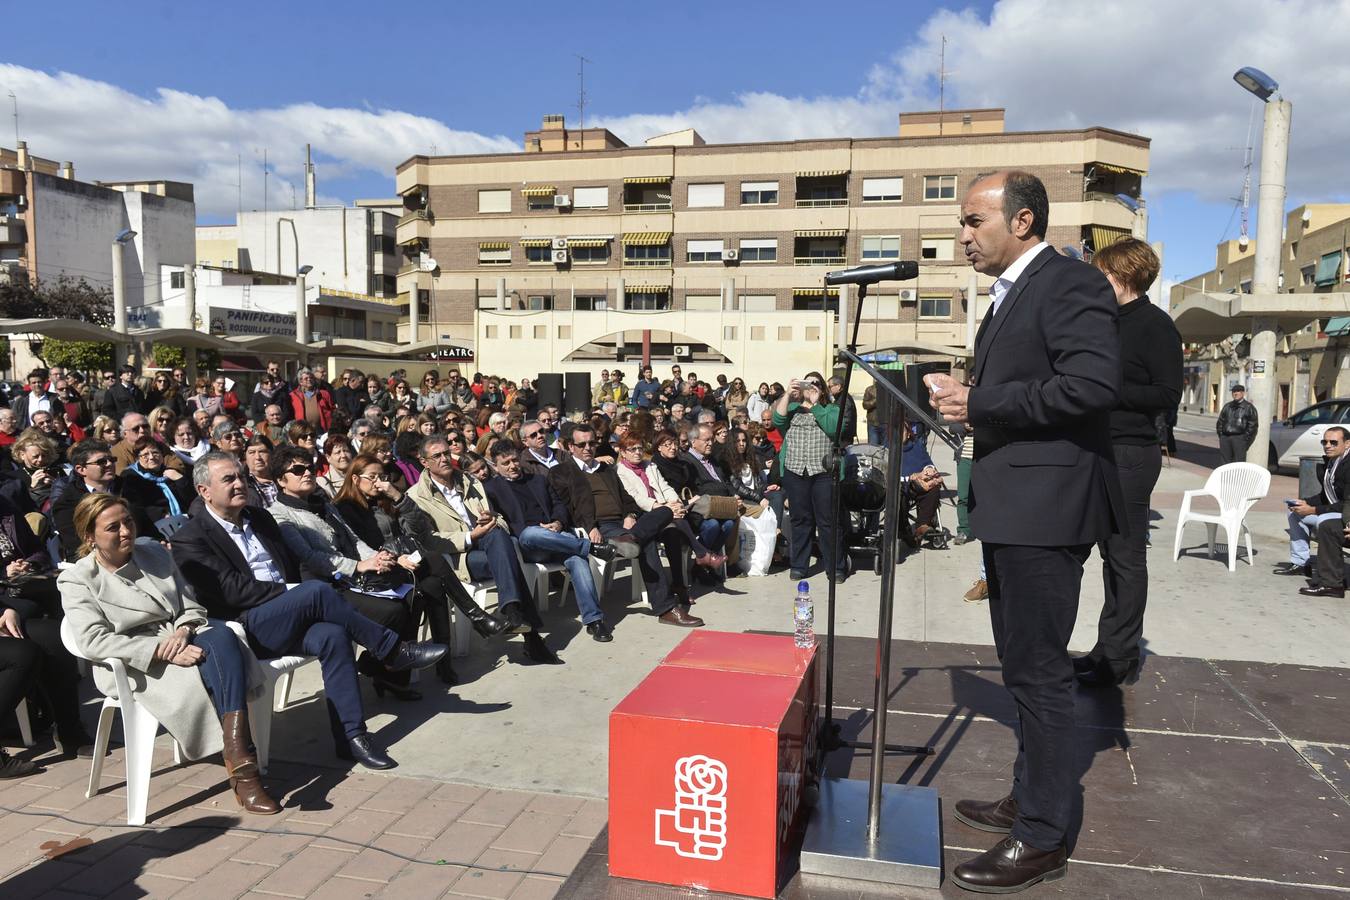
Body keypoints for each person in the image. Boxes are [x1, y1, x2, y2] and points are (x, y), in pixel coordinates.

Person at [927, 170, 1125, 893]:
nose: (964, 234)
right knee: (1020, 666)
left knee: (1040, 674)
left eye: (975, 220)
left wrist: (980, 402)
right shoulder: (1012, 293)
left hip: (1048, 506)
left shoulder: (1067, 284)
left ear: (1024, 221)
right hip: (1016, 504)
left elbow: (1092, 385)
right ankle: (1029, 798)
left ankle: (1042, 836)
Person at [170, 451, 447, 769]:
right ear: (204, 491)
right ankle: (392, 649)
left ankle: (352, 737)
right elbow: (232, 592)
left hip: (288, 614)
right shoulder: (190, 539)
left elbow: (292, 565)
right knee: (316, 590)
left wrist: (299, 597)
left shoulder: (259, 518)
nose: (240, 484)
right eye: (228, 479)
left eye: (242, 477)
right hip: (244, 627)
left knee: (333, 634)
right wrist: (296, 594)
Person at [58, 494, 279, 812]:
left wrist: (183, 630)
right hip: (134, 660)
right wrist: (160, 650)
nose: (126, 531)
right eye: (113, 527)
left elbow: (190, 605)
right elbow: (94, 640)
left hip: (180, 637)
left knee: (224, 638)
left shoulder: (153, 554)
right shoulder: (78, 579)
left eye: (128, 521)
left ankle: (238, 757)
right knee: (219, 661)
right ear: (90, 536)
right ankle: (245, 767)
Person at [1076, 238, 1183, 688]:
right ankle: (1107, 648)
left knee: (1124, 558)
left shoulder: (1156, 325)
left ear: (1121, 274)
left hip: (1130, 454)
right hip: (1097, 449)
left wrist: (1108, 389)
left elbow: (1166, 394)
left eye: (1102, 272)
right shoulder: (1103, 321)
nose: (1097, 279)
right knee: (1103, 556)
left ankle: (1119, 657)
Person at [334, 453, 507, 684]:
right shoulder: (346, 508)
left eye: (382, 476)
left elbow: (420, 529)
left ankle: (443, 663)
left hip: (405, 564)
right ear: (355, 479)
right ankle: (477, 617)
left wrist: (396, 495)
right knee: (435, 561)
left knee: (434, 585)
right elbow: (359, 548)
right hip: (375, 572)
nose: (379, 482)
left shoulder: (385, 499)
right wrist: (396, 558)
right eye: (372, 477)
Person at [267, 446, 423, 700]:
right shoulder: (280, 514)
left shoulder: (323, 504)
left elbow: (352, 538)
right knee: (392, 611)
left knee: (415, 594)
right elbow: (309, 556)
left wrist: (375, 557)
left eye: (309, 467)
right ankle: (381, 664)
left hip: (352, 578)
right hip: (324, 588)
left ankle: (390, 675)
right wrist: (357, 566)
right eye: (298, 470)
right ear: (280, 480)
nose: (307, 472)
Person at [408, 434, 561, 663]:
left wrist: (492, 520)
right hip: (460, 557)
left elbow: (499, 519)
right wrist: (470, 536)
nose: (444, 459)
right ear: (424, 462)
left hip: (491, 543)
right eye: (437, 456)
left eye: (447, 454)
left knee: (501, 539)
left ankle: (512, 612)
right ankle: (531, 636)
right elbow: (429, 540)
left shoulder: (471, 482)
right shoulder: (416, 496)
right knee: (509, 560)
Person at [548, 423, 701, 627]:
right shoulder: (561, 472)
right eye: (582, 444)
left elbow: (628, 499)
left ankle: (631, 538)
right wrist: (590, 527)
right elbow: (569, 507)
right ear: (570, 447)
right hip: (599, 528)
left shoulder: (606, 470)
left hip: (622, 525)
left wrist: (630, 514)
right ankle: (665, 609)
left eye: (592, 443)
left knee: (664, 511)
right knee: (646, 543)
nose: (588, 448)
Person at [485, 441, 617, 641]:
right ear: (495, 466)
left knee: (577, 560)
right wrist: (538, 530)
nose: (512, 466)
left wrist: (557, 522)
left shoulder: (538, 480)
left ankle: (594, 620)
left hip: (556, 539)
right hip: (527, 545)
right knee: (531, 533)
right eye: (506, 463)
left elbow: (559, 505)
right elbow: (501, 523)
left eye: (514, 460)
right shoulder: (491, 489)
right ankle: (591, 547)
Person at [617, 433, 724, 580]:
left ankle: (682, 581)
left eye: (640, 448)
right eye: (632, 449)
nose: (637, 452)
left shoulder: (649, 466)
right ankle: (702, 555)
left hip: (667, 510)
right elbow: (635, 497)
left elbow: (665, 487)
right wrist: (663, 508)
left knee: (674, 532)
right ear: (623, 452)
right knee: (678, 522)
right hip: (644, 514)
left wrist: (676, 503)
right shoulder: (620, 471)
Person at [772, 375, 843, 581]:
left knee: (828, 521)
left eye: (816, 384)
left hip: (822, 473)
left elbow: (832, 428)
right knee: (800, 520)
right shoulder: (792, 409)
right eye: (807, 383)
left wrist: (815, 405)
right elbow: (777, 420)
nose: (811, 387)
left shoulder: (830, 409)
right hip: (796, 471)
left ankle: (835, 567)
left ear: (822, 389)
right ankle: (799, 565)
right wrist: (787, 394)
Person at [1276, 425, 1350, 579]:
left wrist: (1313, 510)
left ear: (1347, 444)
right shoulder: (1331, 463)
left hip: (1345, 516)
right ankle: (1300, 563)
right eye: (1325, 442)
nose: (1328, 446)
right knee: (1293, 511)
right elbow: (1326, 496)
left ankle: (1330, 578)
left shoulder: (1347, 465)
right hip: (1334, 511)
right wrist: (1304, 502)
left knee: (1323, 520)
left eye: (1334, 442)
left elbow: (1346, 503)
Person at [51, 439, 127, 562]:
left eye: (112, 460)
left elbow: (146, 526)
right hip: (93, 562)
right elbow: (77, 545)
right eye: (101, 461)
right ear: (81, 469)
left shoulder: (131, 488)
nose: (109, 464)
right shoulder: (67, 503)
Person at [681, 424, 741, 572]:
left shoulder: (713, 460)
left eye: (711, 439)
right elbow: (700, 488)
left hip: (720, 507)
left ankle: (701, 565)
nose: (710, 443)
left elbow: (725, 483)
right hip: (699, 511)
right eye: (706, 440)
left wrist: (734, 495)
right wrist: (722, 493)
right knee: (712, 525)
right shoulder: (687, 461)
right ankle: (704, 565)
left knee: (729, 523)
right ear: (693, 441)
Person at [121, 436, 195, 527]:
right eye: (145, 455)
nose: (151, 457)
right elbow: (136, 507)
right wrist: (161, 514)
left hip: (184, 521)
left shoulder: (170, 473)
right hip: (154, 526)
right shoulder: (131, 476)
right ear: (137, 458)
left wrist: (180, 480)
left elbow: (191, 500)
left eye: (155, 452)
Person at [1216, 383, 1258, 464]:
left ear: (1243, 393)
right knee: (1225, 463)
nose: (1235, 393)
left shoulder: (1249, 408)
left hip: (1239, 438)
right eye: (1233, 391)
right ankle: (1226, 477)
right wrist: (1221, 436)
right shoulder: (1227, 406)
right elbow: (1220, 422)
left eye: (1238, 391)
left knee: (1238, 464)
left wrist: (1244, 440)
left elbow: (1253, 426)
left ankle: (1238, 477)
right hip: (1225, 438)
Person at [242, 434, 278, 507]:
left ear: (271, 454)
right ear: (245, 456)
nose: (257, 457)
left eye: (262, 452)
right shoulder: (241, 484)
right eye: (252, 452)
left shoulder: (284, 479)